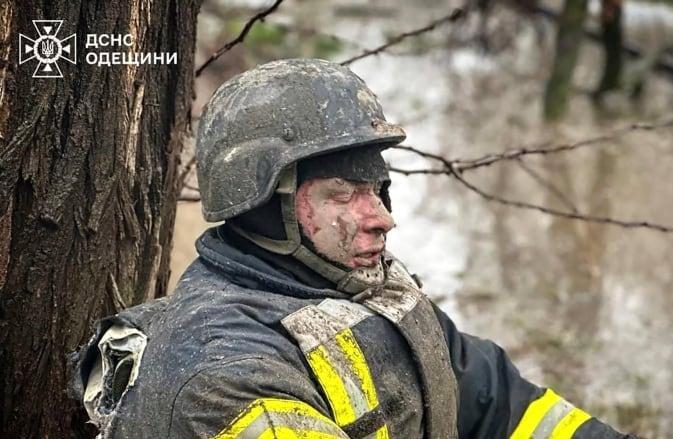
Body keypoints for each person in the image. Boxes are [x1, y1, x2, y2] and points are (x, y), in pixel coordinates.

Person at [71, 58, 638, 439]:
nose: (383, 220)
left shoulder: (363, 285)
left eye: (378, 190)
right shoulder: (223, 376)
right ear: (264, 204)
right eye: (343, 195)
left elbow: (492, 399)